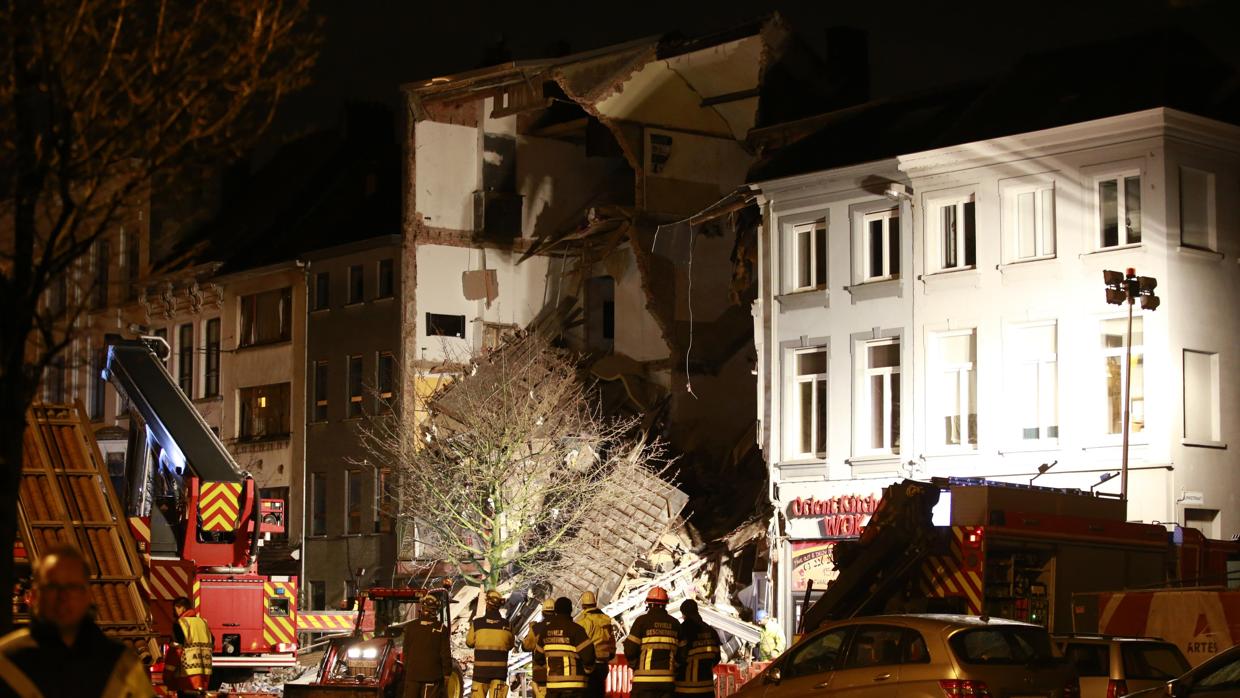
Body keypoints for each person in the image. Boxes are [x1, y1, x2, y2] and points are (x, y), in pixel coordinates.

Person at [0, 544, 154, 697]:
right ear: (32, 596)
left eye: (72, 587)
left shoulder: (124, 666)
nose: (63, 597)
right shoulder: (5, 662)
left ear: (88, 596)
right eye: (52, 586)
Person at [623, 587, 679, 698]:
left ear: (648, 603)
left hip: (644, 682)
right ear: (666, 603)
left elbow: (630, 651)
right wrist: (674, 667)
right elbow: (682, 654)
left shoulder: (641, 621)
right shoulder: (675, 624)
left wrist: (635, 665)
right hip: (667, 682)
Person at [536, 597, 594, 698]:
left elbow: (538, 658)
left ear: (556, 611)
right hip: (574, 687)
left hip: (553, 688)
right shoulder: (576, 630)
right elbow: (588, 656)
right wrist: (588, 670)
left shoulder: (545, 631)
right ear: (570, 610)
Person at [402, 593, 454, 698]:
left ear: (422, 608)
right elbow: (445, 654)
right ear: (436, 610)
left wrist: (408, 669)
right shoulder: (441, 629)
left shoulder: (410, 627)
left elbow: (405, 652)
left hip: (412, 676)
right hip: (432, 677)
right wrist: (447, 673)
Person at [466, 590, 514, 698]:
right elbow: (510, 646)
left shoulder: (477, 623)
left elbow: (469, 643)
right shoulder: (507, 625)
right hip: (499, 673)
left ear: (487, 603)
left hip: (480, 673)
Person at [673, 600, 720, 698]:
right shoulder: (711, 632)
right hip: (707, 689)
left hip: (684, 690)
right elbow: (717, 658)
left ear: (683, 614)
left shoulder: (681, 631)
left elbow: (677, 658)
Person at [574, 591, 615, 698]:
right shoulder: (606, 620)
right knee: (599, 693)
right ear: (595, 603)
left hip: (589, 666)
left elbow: (580, 645)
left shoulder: (583, 621)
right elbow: (612, 642)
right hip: (603, 664)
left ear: (583, 605)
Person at [169, 596, 212, 697]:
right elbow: (211, 644)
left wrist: (168, 678)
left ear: (181, 608)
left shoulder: (180, 624)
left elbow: (174, 652)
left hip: (186, 680)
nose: (174, 612)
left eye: (175, 609)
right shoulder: (203, 623)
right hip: (203, 679)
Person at [522, 600, 556, 698]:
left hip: (541, 675)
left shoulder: (536, 628)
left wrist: (531, 628)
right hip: (559, 674)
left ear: (542, 612)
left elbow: (526, 647)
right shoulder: (563, 626)